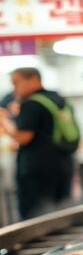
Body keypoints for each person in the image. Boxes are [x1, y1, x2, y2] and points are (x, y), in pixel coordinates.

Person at [0, 68, 74, 220]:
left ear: (33, 79)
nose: (14, 88)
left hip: (38, 171)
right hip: (63, 165)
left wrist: (3, 120)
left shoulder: (32, 104)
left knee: (37, 217)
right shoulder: (57, 98)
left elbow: (23, 137)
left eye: (16, 82)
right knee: (62, 214)